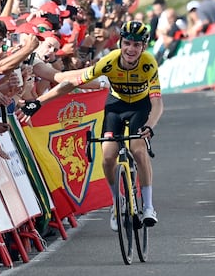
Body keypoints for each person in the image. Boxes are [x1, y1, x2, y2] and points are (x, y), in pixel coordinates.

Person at [18, 21, 163, 231]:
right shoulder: (109, 62)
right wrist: (39, 102)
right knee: (107, 157)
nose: (131, 49)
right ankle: (117, 203)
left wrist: (150, 125)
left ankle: (149, 207)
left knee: (138, 150)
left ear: (143, 47)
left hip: (140, 107)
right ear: (121, 43)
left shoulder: (149, 64)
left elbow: (157, 102)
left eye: (137, 45)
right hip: (116, 105)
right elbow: (72, 83)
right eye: (127, 43)